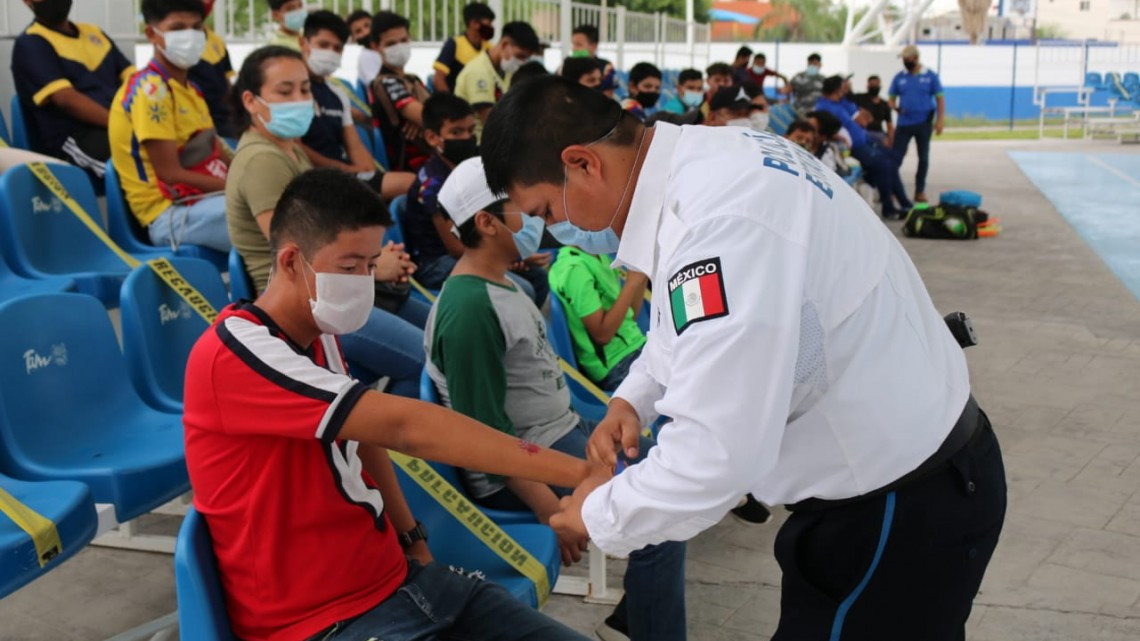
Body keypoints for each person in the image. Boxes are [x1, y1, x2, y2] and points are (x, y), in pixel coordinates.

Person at [481, 76, 1007, 641]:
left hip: (893, 508)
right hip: (908, 477)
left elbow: (715, 458)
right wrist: (633, 398)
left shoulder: (719, 226)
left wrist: (596, 513)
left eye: (546, 209)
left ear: (583, 164)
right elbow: (683, 324)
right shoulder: (713, 160)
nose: (559, 232)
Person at [184, 166, 594, 641]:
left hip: (402, 584)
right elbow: (403, 427)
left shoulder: (321, 336)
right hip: (322, 622)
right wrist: (578, 473)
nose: (365, 279)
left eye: (371, 262)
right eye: (350, 266)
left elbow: (366, 438)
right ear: (294, 261)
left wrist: (413, 541)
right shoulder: (234, 352)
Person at [428, 157, 686, 641]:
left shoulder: (505, 282)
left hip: (557, 434)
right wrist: (550, 511)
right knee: (661, 510)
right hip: (523, 466)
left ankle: (640, 613)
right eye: (519, 208)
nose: (533, 217)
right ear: (486, 222)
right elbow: (482, 439)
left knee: (669, 469)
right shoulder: (468, 310)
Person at [224, 46, 428, 396]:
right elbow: (298, 252)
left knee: (442, 339)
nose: (300, 99)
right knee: (428, 360)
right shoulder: (262, 160)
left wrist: (371, 260)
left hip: (339, 280)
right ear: (251, 100)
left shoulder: (289, 148)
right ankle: (376, 432)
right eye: (285, 91)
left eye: (304, 89)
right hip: (310, 301)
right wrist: (375, 268)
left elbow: (327, 229)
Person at [108, 0, 232, 253]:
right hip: (170, 214)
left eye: (197, 28)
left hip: (206, 201)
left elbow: (219, 151)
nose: (191, 36)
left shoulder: (192, 90)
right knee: (277, 221)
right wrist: (240, 188)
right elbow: (171, 174)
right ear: (152, 34)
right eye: (177, 28)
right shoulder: (149, 90)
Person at [405, 93, 549, 304]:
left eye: (471, 131)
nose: (466, 138)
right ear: (432, 137)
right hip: (437, 262)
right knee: (523, 288)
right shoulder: (432, 184)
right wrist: (509, 256)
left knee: (538, 278)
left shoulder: (468, 168)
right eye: (456, 132)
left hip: (475, 246)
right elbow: (454, 247)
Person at [11, 0, 135, 182]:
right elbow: (66, 100)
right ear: (27, 2)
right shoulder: (31, 43)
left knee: (168, 147)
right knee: (145, 162)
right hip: (74, 141)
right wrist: (125, 125)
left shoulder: (94, 33)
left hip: (117, 128)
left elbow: (134, 80)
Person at [298, 10, 414, 200]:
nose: (330, 53)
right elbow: (296, 148)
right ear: (304, 44)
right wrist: (348, 169)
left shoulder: (337, 95)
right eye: (323, 45)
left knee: (413, 183)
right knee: (407, 184)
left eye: (337, 48)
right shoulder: (293, 91)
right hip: (312, 179)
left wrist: (366, 171)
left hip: (344, 176)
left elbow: (356, 148)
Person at [816, 75, 911, 219]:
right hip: (853, 148)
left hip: (865, 142)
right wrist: (839, 137)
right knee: (885, 164)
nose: (846, 88)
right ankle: (890, 207)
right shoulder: (824, 107)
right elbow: (823, 130)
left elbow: (865, 119)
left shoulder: (841, 102)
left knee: (893, 158)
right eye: (844, 86)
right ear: (837, 88)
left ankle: (894, 196)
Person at [370, 11, 432, 171]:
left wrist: (423, 121)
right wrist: (423, 118)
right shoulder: (386, 82)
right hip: (414, 165)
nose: (399, 47)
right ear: (376, 47)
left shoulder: (413, 80)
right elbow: (434, 118)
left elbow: (429, 116)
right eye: (391, 44)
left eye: (404, 40)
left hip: (432, 153)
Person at [454, 21, 540, 129]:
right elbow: (490, 121)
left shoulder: (505, 70)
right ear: (504, 44)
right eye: (519, 56)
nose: (521, 62)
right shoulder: (478, 71)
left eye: (525, 59)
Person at [890, 44, 945, 203]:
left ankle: (919, 190)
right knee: (896, 157)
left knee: (923, 158)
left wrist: (940, 121)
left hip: (924, 123)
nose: (904, 62)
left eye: (906, 59)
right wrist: (896, 108)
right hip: (904, 123)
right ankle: (893, 188)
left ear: (915, 58)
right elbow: (891, 99)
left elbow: (940, 99)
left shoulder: (930, 76)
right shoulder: (899, 77)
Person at [188, 0, 236, 139]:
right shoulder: (180, 46)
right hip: (197, 120)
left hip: (223, 118)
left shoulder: (216, 41)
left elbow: (227, 81)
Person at [432, 2, 495, 93]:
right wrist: (451, 102)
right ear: (474, 23)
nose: (491, 27)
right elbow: (438, 79)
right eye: (488, 24)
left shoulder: (489, 47)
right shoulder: (454, 44)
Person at [570, 24, 616, 97]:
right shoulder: (566, 67)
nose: (573, 49)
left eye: (578, 45)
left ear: (593, 46)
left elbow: (607, 98)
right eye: (573, 44)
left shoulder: (606, 68)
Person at [853, 74, 894, 148]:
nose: (874, 87)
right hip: (862, 131)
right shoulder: (859, 98)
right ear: (867, 86)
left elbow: (889, 125)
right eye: (872, 84)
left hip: (879, 133)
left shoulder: (884, 104)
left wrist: (890, 140)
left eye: (876, 84)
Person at [347, 10, 382, 86]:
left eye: (367, 26)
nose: (366, 32)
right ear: (353, 39)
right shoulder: (366, 57)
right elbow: (378, 85)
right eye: (358, 31)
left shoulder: (383, 51)